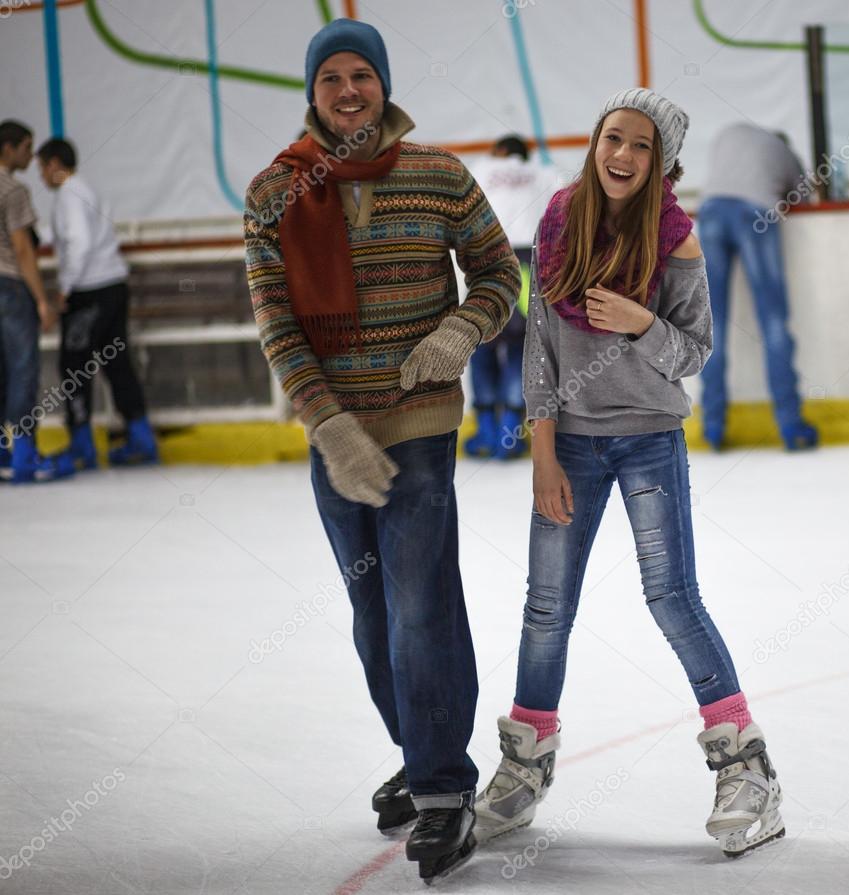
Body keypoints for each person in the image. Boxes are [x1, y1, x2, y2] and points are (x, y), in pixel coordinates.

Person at [473, 89, 785, 859]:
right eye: (613, 137)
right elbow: (539, 350)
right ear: (595, 143)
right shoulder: (557, 222)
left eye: (640, 145)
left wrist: (643, 324)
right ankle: (525, 762)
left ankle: (747, 768)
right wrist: (542, 452)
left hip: (647, 437)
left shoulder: (676, 241)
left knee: (671, 597)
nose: (622, 154)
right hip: (570, 443)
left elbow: (696, 352)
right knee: (545, 608)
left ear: (661, 162)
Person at [242, 19, 519, 883]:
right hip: (337, 441)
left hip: (419, 432)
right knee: (374, 620)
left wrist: (457, 334)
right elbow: (276, 320)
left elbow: (502, 274)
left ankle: (442, 788)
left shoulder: (438, 173)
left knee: (420, 608)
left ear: (384, 84)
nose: (349, 90)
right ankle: (421, 745)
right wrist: (326, 424)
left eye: (363, 74)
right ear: (312, 93)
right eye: (332, 78)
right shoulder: (273, 192)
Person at [36, 137, 158, 468]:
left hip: (89, 292)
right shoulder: (83, 190)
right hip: (112, 285)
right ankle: (141, 438)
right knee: (116, 363)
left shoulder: (67, 195)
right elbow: (71, 234)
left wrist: (65, 287)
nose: (41, 176)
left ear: (54, 165)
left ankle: (81, 445)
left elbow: (80, 241)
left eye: (41, 168)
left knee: (74, 365)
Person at [698, 122, 818, 451]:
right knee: (773, 320)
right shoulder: (788, 155)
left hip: (709, 213)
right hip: (755, 215)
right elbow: (805, 199)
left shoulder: (730, 131)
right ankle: (792, 428)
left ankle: (712, 428)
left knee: (713, 326)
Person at [465, 135, 560, 459]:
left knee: (482, 344)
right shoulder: (544, 172)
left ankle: (486, 430)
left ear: (500, 151)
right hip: (529, 264)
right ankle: (510, 433)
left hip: (488, 261)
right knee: (521, 347)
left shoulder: (482, 168)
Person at [0, 119, 72, 484]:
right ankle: (25, 454)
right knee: (22, 370)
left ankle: (2, 453)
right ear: (9, 148)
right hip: (11, 286)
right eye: (27, 148)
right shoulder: (12, 189)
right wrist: (42, 300)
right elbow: (23, 248)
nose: (31, 156)